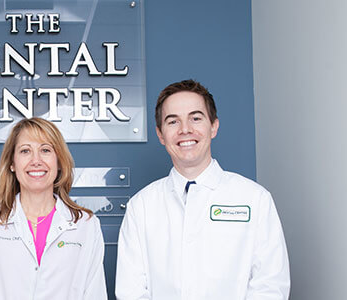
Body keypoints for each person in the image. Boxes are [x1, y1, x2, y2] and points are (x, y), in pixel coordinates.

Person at [115, 80, 290, 299]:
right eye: (172, 122)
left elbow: (270, 286)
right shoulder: (141, 207)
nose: (185, 129)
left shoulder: (255, 199)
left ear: (213, 126)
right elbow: (131, 291)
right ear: (160, 134)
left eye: (196, 118)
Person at [0, 117, 107, 299]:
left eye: (45, 150)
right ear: (12, 163)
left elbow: (94, 293)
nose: (36, 160)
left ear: (59, 161)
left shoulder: (86, 225)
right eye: (25, 151)